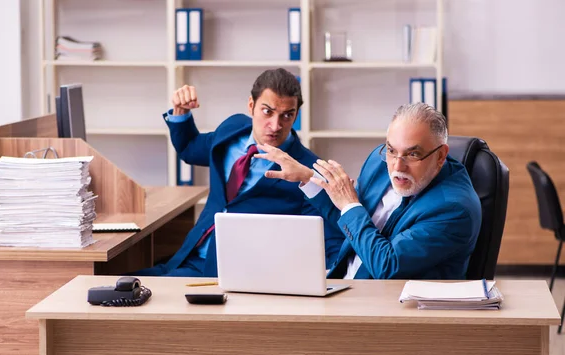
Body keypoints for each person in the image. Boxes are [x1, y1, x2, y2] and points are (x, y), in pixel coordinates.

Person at [134, 68, 343, 277]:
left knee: (135, 298)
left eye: (287, 115)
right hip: (188, 255)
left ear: (296, 115)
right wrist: (181, 111)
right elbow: (190, 149)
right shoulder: (232, 128)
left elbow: (328, 241)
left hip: (233, 274)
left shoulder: (308, 171)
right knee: (119, 283)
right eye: (267, 111)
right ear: (251, 106)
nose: (275, 125)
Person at [254, 102, 482, 279]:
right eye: (392, 150)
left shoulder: (453, 208)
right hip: (343, 285)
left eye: (413, 154)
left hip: (393, 314)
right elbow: (353, 224)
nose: (397, 166)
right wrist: (308, 177)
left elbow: (387, 266)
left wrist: (350, 204)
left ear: (441, 155)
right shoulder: (379, 160)